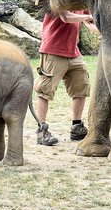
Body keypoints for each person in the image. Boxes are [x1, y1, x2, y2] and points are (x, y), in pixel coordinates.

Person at [34, 9, 99, 146]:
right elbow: (66, 17)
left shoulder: (79, 1)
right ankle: (41, 131)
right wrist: (87, 16)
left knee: (81, 88)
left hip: (73, 52)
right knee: (45, 90)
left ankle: (76, 127)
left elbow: (90, 23)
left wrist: (105, 31)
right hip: (53, 51)